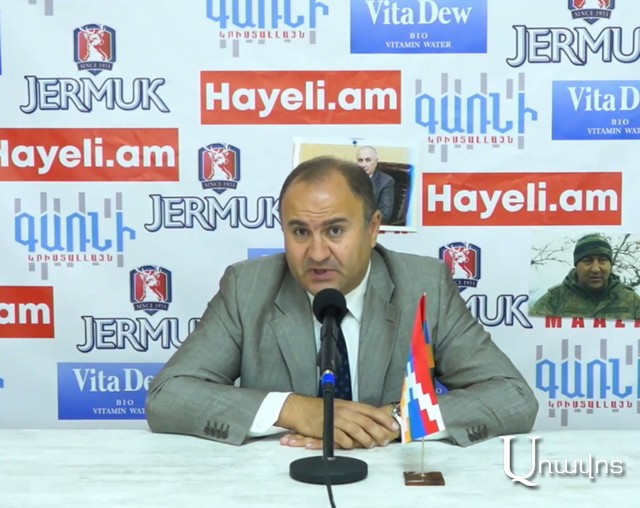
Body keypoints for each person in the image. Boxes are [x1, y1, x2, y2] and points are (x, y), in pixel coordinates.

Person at [146, 156, 538, 449]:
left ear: (372, 228)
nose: (317, 253)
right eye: (300, 232)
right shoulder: (247, 287)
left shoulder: (424, 286)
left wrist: (395, 422)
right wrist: (296, 409)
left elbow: (513, 396)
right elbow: (168, 396)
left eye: (335, 230)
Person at [530, 234, 640, 319]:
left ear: (610, 265)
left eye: (602, 260)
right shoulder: (554, 300)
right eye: (587, 261)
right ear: (576, 265)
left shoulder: (632, 301)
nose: (596, 269)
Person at [356, 146, 395, 224]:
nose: (363, 165)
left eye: (368, 160)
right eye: (360, 160)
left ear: (376, 162)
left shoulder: (386, 181)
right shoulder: (350, 178)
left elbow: (385, 214)